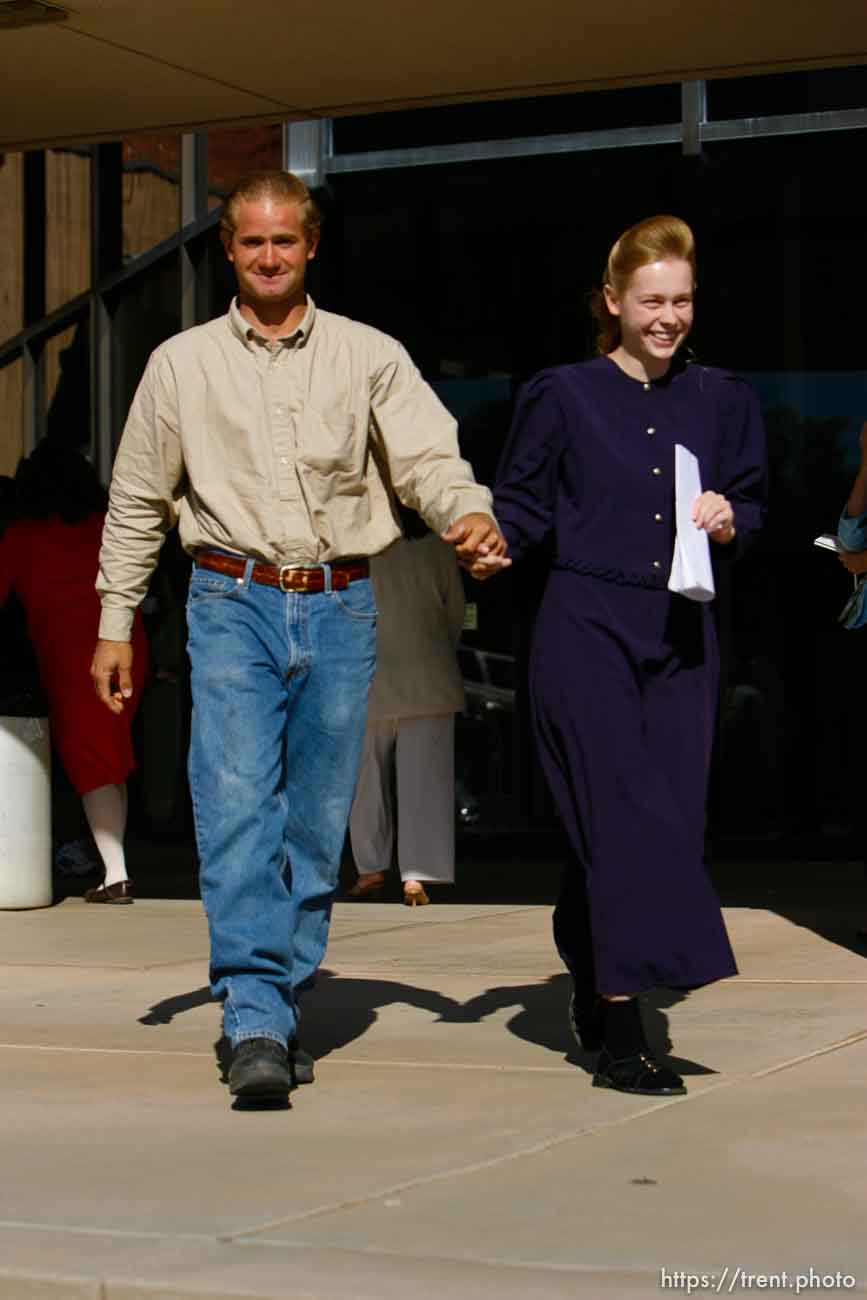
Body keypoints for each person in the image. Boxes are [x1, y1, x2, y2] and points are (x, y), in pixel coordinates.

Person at [91, 169, 507, 1104]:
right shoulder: (180, 364)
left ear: (310, 246)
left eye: (285, 240)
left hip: (342, 601)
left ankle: (276, 987)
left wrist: (465, 517)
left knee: (318, 822)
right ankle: (255, 1019)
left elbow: (429, 458)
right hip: (228, 596)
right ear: (230, 251)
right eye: (252, 242)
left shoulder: (368, 355)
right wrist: (115, 619)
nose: (269, 257)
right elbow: (136, 502)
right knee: (236, 800)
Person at [479, 215, 766, 1097]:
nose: (667, 316)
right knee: (626, 813)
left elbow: (752, 506)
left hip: (681, 637)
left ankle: (585, 949)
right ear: (613, 302)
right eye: (650, 300)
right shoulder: (560, 393)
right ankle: (618, 1026)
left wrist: (730, 518)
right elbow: (520, 510)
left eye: (680, 300)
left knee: (658, 822)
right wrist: (488, 544)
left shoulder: (725, 399)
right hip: (583, 629)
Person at [0, 442, 149, 903]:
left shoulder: (22, 537)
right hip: (123, 644)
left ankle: (116, 872)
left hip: (70, 657)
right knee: (108, 757)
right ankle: (114, 866)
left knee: (92, 763)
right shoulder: (104, 528)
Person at [346, 506, 465, 906]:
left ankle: (370, 868)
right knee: (426, 782)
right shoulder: (438, 549)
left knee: (365, 781)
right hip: (430, 672)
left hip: (367, 671)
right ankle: (417, 876)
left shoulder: (358, 544)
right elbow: (454, 613)